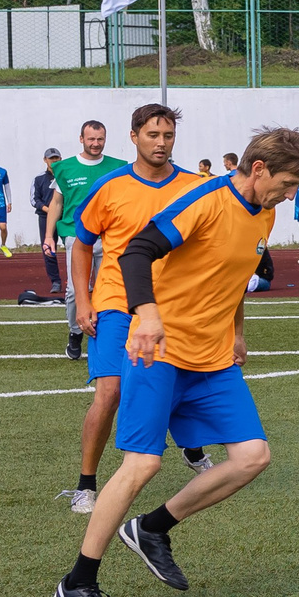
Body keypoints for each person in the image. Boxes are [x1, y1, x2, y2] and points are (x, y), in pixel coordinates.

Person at [51, 127, 299, 597]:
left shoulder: (266, 210)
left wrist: (237, 331)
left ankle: (152, 528)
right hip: (159, 351)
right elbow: (135, 252)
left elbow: (233, 276)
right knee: (141, 466)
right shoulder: (205, 201)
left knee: (252, 457)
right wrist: (146, 313)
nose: (290, 193)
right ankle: (77, 583)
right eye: (286, 182)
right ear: (258, 169)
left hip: (213, 359)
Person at [68, 103, 213, 515]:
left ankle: (191, 447)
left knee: (178, 383)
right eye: (153, 135)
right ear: (134, 137)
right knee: (110, 391)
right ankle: (85, 484)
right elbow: (82, 244)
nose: (161, 143)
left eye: (167, 136)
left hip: (172, 305)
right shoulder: (110, 186)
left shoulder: (195, 185)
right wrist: (83, 299)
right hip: (115, 301)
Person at [45, 122, 119, 360]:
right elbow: (57, 203)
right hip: (76, 237)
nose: (96, 143)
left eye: (100, 139)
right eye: (91, 139)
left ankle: (105, 335)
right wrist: (49, 236)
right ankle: (75, 333)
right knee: (74, 291)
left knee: (107, 289)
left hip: (108, 237)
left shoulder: (118, 167)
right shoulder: (64, 168)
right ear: (81, 139)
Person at [31, 150, 64, 293]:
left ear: (61, 159)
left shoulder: (66, 176)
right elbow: (34, 199)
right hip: (45, 218)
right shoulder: (39, 179)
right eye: (51, 158)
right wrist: (48, 210)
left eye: (56, 158)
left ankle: (80, 280)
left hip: (65, 217)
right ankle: (55, 281)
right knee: (49, 250)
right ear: (45, 160)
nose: (54, 161)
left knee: (75, 247)